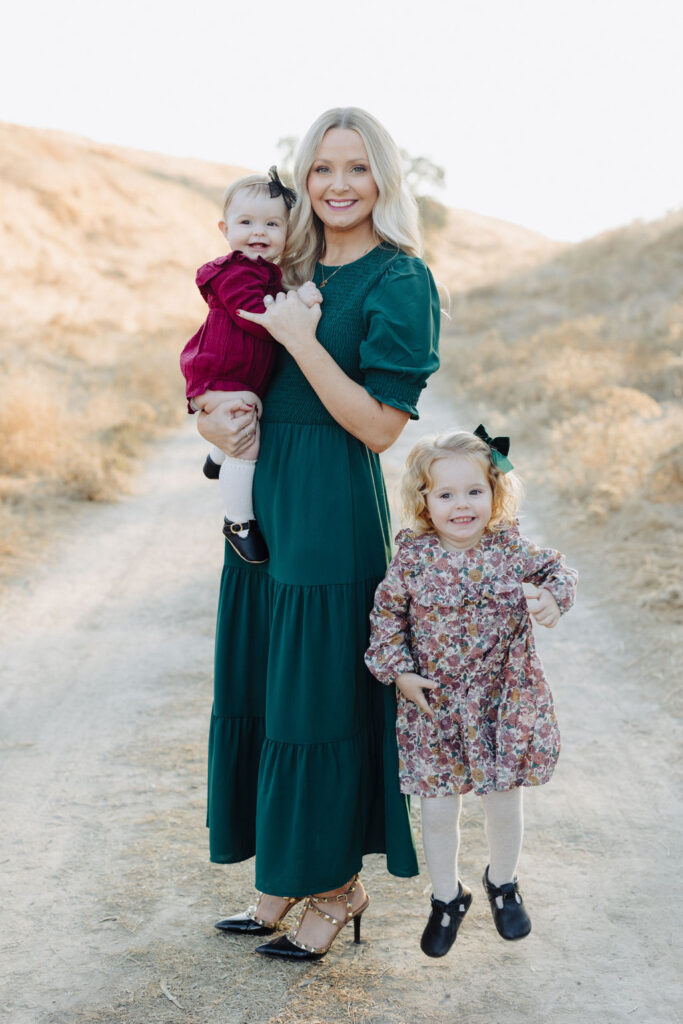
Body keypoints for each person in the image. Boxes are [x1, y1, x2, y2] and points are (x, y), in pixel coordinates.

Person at [196, 107, 440, 961]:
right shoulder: (281, 261)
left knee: (317, 697)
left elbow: (378, 428)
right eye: (322, 169)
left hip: (332, 504)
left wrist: (301, 342)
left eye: (357, 168)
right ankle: (281, 877)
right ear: (303, 180)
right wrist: (209, 421)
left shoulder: (399, 279)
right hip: (265, 500)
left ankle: (336, 888)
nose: (338, 185)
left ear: (383, 179)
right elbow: (222, 364)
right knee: (263, 687)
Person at [364, 426, 578, 957]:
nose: (462, 505)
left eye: (474, 492)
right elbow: (385, 619)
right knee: (438, 809)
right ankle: (446, 897)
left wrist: (553, 597)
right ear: (425, 502)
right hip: (433, 705)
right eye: (446, 494)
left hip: (502, 701)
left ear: (495, 494)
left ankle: (502, 883)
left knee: (503, 798)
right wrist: (400, 673)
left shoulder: (510, 549)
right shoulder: (412, 559)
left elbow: (559, 570)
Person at [179, 170, 322, 563]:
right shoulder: (234, 270)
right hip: (220, 372)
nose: (259, 231)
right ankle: (238, 521)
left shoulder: (263, 272)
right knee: (248, 441)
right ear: (225, 229)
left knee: (243, 425)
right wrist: (299, 302)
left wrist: (289, 292)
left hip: (236, 376)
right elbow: (253, 314)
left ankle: (217, 458)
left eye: (272, 224)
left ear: (287, 232)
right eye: (246, 222)